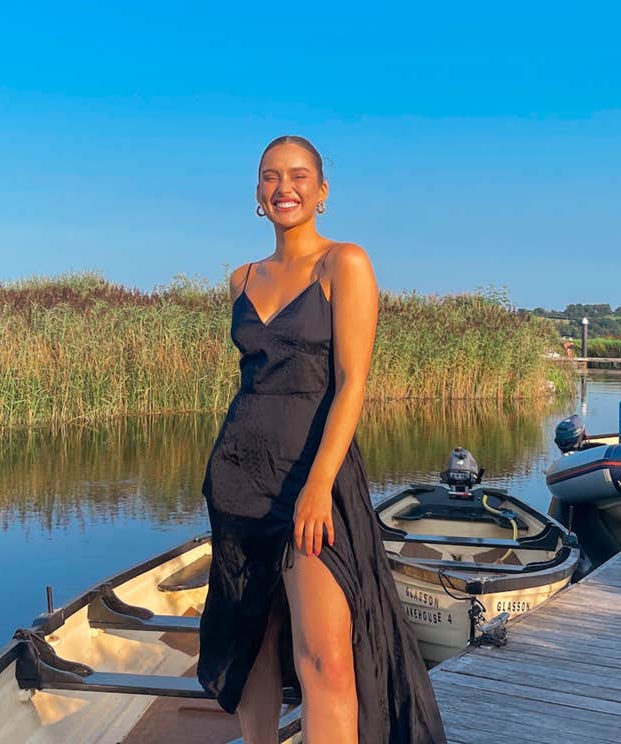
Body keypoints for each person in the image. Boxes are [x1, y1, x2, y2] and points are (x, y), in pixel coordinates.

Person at [198, 135, 446, 743]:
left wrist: (317, 487)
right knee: (251, 646)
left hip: (316, 478)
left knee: (326, 660)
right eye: (270, 177)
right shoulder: (241, 279)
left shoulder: (344, 263)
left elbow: (351, 383)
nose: (285, 187)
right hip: (239, 477)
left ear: (322, 191)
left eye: (299, 175)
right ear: (258, 194)